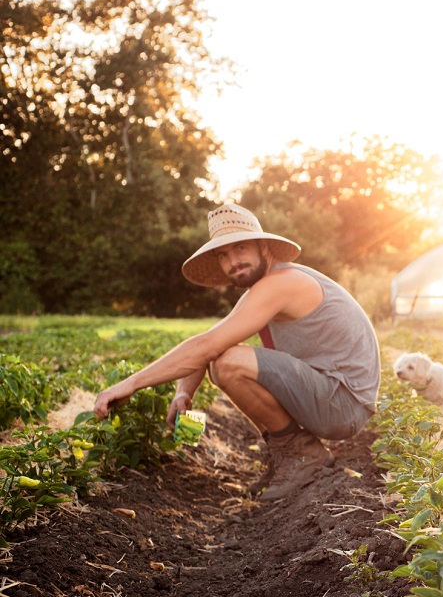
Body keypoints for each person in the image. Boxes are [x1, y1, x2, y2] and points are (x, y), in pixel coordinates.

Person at [93, 203, 381, 501]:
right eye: (223, 255)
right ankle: (287, 455)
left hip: (344, 403)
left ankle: (303, 456)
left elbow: (210, 348)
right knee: (223, 356)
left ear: (263, 247)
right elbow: (210, 340)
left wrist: (131, 383)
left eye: (240, 248)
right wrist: (183, 395)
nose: (233, 261)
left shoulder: (281, 283)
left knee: (228, 363)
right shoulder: (261, 290)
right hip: (331, 398)